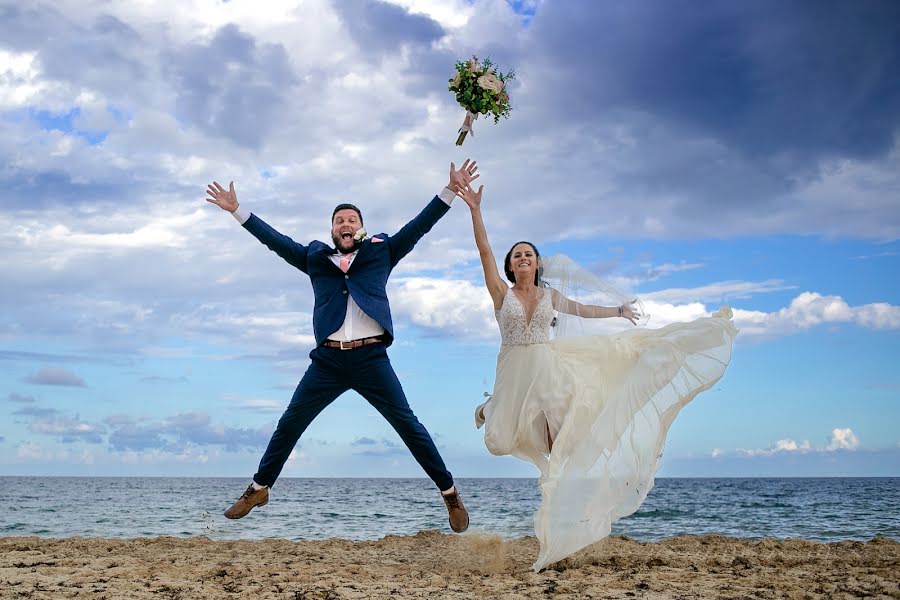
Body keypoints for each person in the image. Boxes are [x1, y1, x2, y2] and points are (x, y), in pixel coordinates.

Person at [457, 180, 737, 570]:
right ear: (509, 266)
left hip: (548, 370)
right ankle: (491, 408)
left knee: (560, 439)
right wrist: (474, 209)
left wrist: (618, 313)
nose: (522, 258)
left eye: (529, 254)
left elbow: (583, 309)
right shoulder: (500, 295)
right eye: (516, 255)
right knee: (500, 442)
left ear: (537, 264)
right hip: (512, 371)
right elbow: (483, 250)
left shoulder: (548, 298)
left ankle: (557, 520)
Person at [205, 160, 480, 534]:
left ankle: (448, 492)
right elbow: (275, 241)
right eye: (339, 221)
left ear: (360, 227)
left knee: (408, 426)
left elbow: (420, 226)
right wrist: (237, 210)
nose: (345, 224)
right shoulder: (314, 258)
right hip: (328, 360)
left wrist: (448, 190)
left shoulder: (382, 252)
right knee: (290, 423)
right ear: (332, 230)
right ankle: (259, 488)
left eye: (351, 219)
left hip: (371, 358)